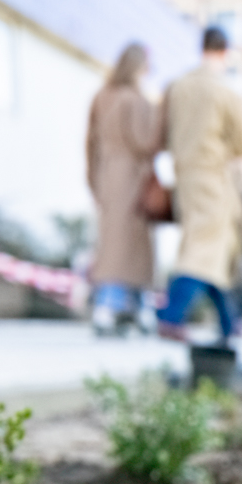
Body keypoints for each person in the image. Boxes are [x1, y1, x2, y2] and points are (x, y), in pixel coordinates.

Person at [158, 26, 242, 342]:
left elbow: (163, 132)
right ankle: (171, 317)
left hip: (183, 174)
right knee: (204, 249)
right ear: (224, 52)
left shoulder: (177, 87)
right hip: (213, 176)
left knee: (210, 248)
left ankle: (229, 322)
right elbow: (240, 144)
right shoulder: (225, 91)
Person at [85, 42, 164, 335]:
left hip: (107, 175)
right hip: (133, 178)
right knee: (135, 250)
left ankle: (105, 309)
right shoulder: (138, 100)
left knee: (110, 247)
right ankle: (140, 311)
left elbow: (90, 143)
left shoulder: (101, 97)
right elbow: (146, 143)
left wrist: (94, 180)